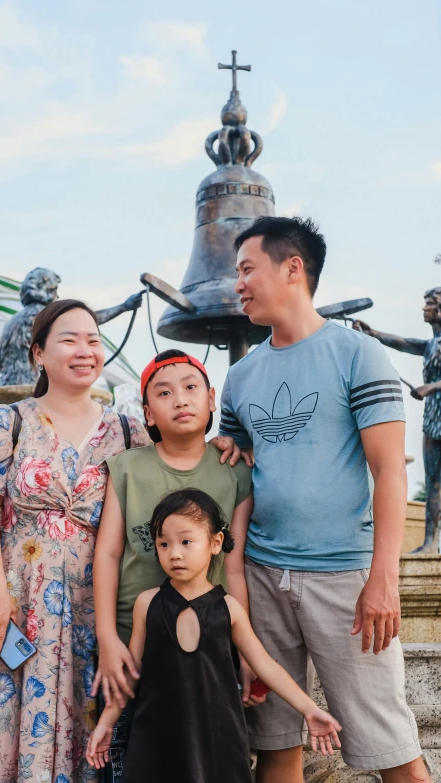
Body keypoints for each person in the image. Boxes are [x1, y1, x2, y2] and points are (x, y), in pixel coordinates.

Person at [212, 217, 429, 783]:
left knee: (390, 747)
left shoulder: (358, 354)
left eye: (247, 269)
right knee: (277, 745)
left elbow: (388, 470)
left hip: (344, 580)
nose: (238, 283)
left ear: (292, 268)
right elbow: (236, 459)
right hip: (260, 577)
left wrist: (384, 579)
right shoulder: (240, 377)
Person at [0, 299, 148, 783]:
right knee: (8, 729)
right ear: (38, 353)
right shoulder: (8, 422)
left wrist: (230, 444)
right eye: (69, 339)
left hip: (95, 607)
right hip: (19, 603)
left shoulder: (127, 431)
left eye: (93, 340)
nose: (85, 350)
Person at [86, 489, 342, 783]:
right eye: (163, 544)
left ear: (215, 542)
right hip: (156, 739)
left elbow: (265, 665)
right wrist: (107, 723)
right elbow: (130, 673)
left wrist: (310, 709)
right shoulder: (147, 604)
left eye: (186, 541)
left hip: (218, 739)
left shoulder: (229, 609)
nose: (175, 553)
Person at [91, 349, 254, 780]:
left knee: (206, 761)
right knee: (130, 758)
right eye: (164, 393)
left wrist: (246, 651)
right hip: (132, 647)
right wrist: (107, 637)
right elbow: (107, 554)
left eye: (190, 388)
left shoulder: (233, 473)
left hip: (208, 655)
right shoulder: (127, 469)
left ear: (212, 398)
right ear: (148, 412)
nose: (180, 400)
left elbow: (233, 567)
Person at [354, 287, 441, 553]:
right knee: (433, 482)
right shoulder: (431, 344)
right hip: (433, 419)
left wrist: (432, 387)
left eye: (428, 303)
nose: (423, 308)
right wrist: (373, 334)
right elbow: (404, 343)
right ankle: (430, 542)